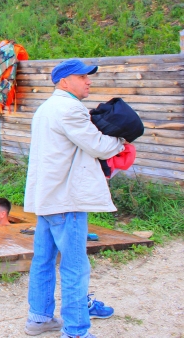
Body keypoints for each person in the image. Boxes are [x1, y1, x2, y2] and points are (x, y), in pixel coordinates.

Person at [24, 59, 122, 338]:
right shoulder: (69, 108)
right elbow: (98, 146)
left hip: (48, 198)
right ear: (64, 82)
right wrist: (122, 141)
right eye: (82, 77)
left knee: (43, 261)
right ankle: (76, 331)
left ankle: (39, 318)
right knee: (75, 266)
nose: (88, 81)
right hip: (66, 199)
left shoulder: (46, 108)